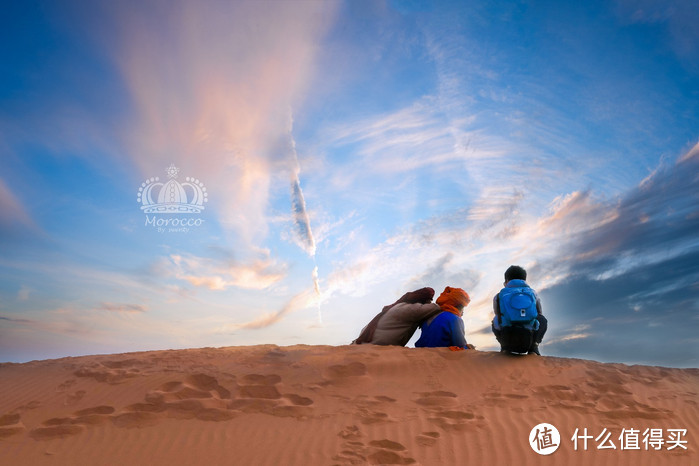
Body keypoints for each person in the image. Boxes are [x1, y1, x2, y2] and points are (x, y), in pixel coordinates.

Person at [351, 287, 442, 346]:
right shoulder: (410, 310)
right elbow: (436, 307)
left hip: (358, 346)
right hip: (370, 351)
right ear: (423, 300)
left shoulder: (397, 307)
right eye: (429, 300)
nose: (430, 302)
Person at [492, 265, 548, 355]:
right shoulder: (533, 293)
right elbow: (539, 312)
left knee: (496, 319)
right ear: (525, 280)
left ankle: (504, 348)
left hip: (508, 337)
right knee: (542, 319)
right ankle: (534, 348)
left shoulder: (498, 296)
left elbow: (497, 314)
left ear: (506, 281)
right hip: (529, 337)